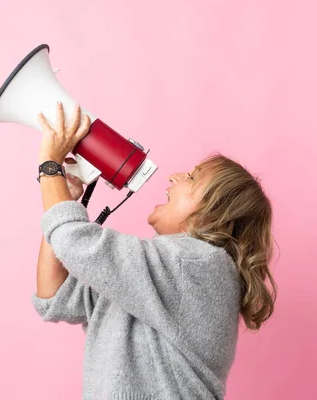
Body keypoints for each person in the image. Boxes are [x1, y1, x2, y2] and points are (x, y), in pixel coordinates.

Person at [31, 102, 277, 400]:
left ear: (214, 211)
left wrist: (50, 164)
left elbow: (74, 242)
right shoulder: (154, 276)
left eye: (191, 178)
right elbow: (55, 296)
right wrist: (68, 198)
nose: (174, 176)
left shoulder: (197, 264)